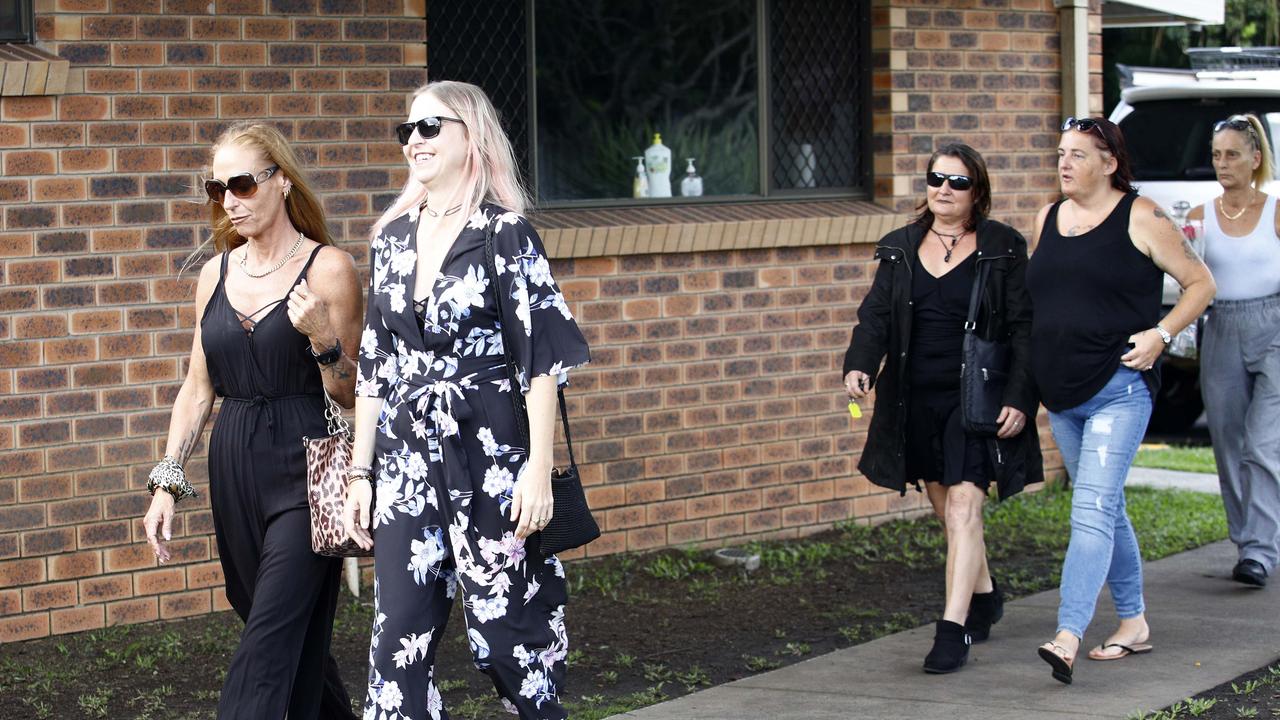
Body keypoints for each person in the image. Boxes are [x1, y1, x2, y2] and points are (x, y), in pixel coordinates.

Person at [343, 81, 590, 720]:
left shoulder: (504, 233)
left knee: (503, 630)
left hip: (491, 455)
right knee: (397, 636)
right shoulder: (391, 238)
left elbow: (542, 362)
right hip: (404, 456)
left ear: (470, 134)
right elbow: (375, 362)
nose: (414, 141)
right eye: (408, 130)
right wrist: (360, 473)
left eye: (430, 127)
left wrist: (538, 470)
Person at [140, 121, 363, 718]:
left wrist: (321, 339)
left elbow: (351, 393)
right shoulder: (215, 273)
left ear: (281, 182)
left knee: (266, 646)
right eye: (217, 189)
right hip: (233, 468)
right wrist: (167, 481)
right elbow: (197, 385)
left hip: (309, 471)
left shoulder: (329, 269)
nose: (229, 201)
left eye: (241, 184)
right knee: (286, 633)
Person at [843, 143, 1042, 674]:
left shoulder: (1002, 246)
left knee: (963, 508)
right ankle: (987, 593)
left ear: (977, 191)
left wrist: (1020, 396)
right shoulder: (901, 247)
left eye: (956, 182)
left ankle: (952, 631)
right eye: (936, 179)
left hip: (975, 397)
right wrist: (859, 364)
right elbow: (875, 318)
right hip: (914, 396)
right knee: (943, 507)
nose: (943, 190)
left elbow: (1025, 328)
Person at [1028, 117, 1215, 683]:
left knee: (1090, 510)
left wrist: (1161, 335)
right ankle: (1133, 623)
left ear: (1109, 163)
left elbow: (1201, 282)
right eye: (1061, 153)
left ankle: (1067, 634)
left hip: (1118, 390)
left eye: (1078, 155)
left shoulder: (1142, 214)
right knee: (1108, 510)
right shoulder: (1048, 216)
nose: (1064, 163)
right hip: (1061, 395)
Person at [1188, 114, 1280, 588]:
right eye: (1217, 155)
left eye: (1232, 155)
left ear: (1255, 159)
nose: (1223, 164)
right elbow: (1185, 282)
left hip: (1274, 327)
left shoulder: (1277, 210)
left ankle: (1262, 552)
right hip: (1221, 326)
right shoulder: (1199, 218)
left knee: (1263, 444)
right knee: (1228, 443)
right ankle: (1247, 543)